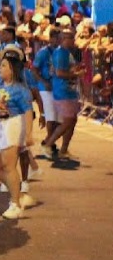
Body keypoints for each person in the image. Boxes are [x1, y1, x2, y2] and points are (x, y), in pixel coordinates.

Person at [0, 46, 35, 219]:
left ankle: (15, 204)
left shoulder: (20, 90)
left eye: (4, 65)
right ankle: (17, 194)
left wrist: (28, 135)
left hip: (12, 125)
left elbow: (28, 112)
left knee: (9, 165)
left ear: (13, 69)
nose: (0, 68)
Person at [40, 29, 83, 161]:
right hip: (62, 91)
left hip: (69, 91)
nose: (74, 41)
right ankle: (48, 144)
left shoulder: (66, 53)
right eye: (71, 38)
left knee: (72, 120)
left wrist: (75, 71)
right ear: (65, 39)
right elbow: (59, 73)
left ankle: (64, 149)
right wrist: (75, 74)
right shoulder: (60, 54)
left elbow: (66, 70)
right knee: (68, 120)